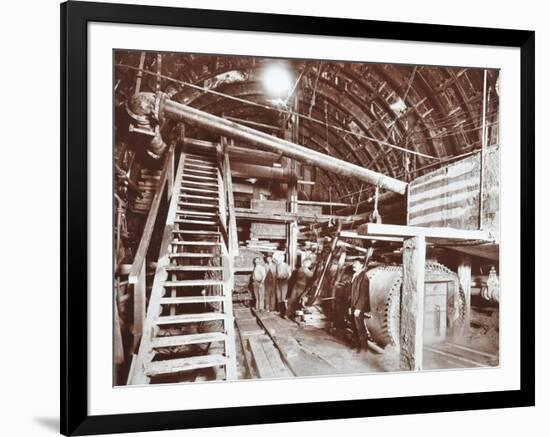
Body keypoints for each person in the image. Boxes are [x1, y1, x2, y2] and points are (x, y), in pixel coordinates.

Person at [349, 259, 372, 353]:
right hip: (353, 305)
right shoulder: (355, 276)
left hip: (359, 307)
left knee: (360, 328)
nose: (353, 265)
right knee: (354, 327)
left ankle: (363, 349)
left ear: (362, 266)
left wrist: (358, 308)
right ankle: (357, 346)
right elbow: (352, 294)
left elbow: (363, 294)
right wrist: (350, 307)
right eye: (353, 263)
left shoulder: (364, 277)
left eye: (356, 264)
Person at [274, 253, 292, 318]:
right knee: (278, 296)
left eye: (281, 258)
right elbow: (276, 273)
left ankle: (284, 313)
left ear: (283, 259)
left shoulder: (286, 265)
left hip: (284, 282)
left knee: (283, 297)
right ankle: (280, 311)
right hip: (278, 281)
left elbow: (289, 274)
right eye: (279, 258)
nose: (280, 259)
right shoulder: (277, 266)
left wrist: (286, 279)